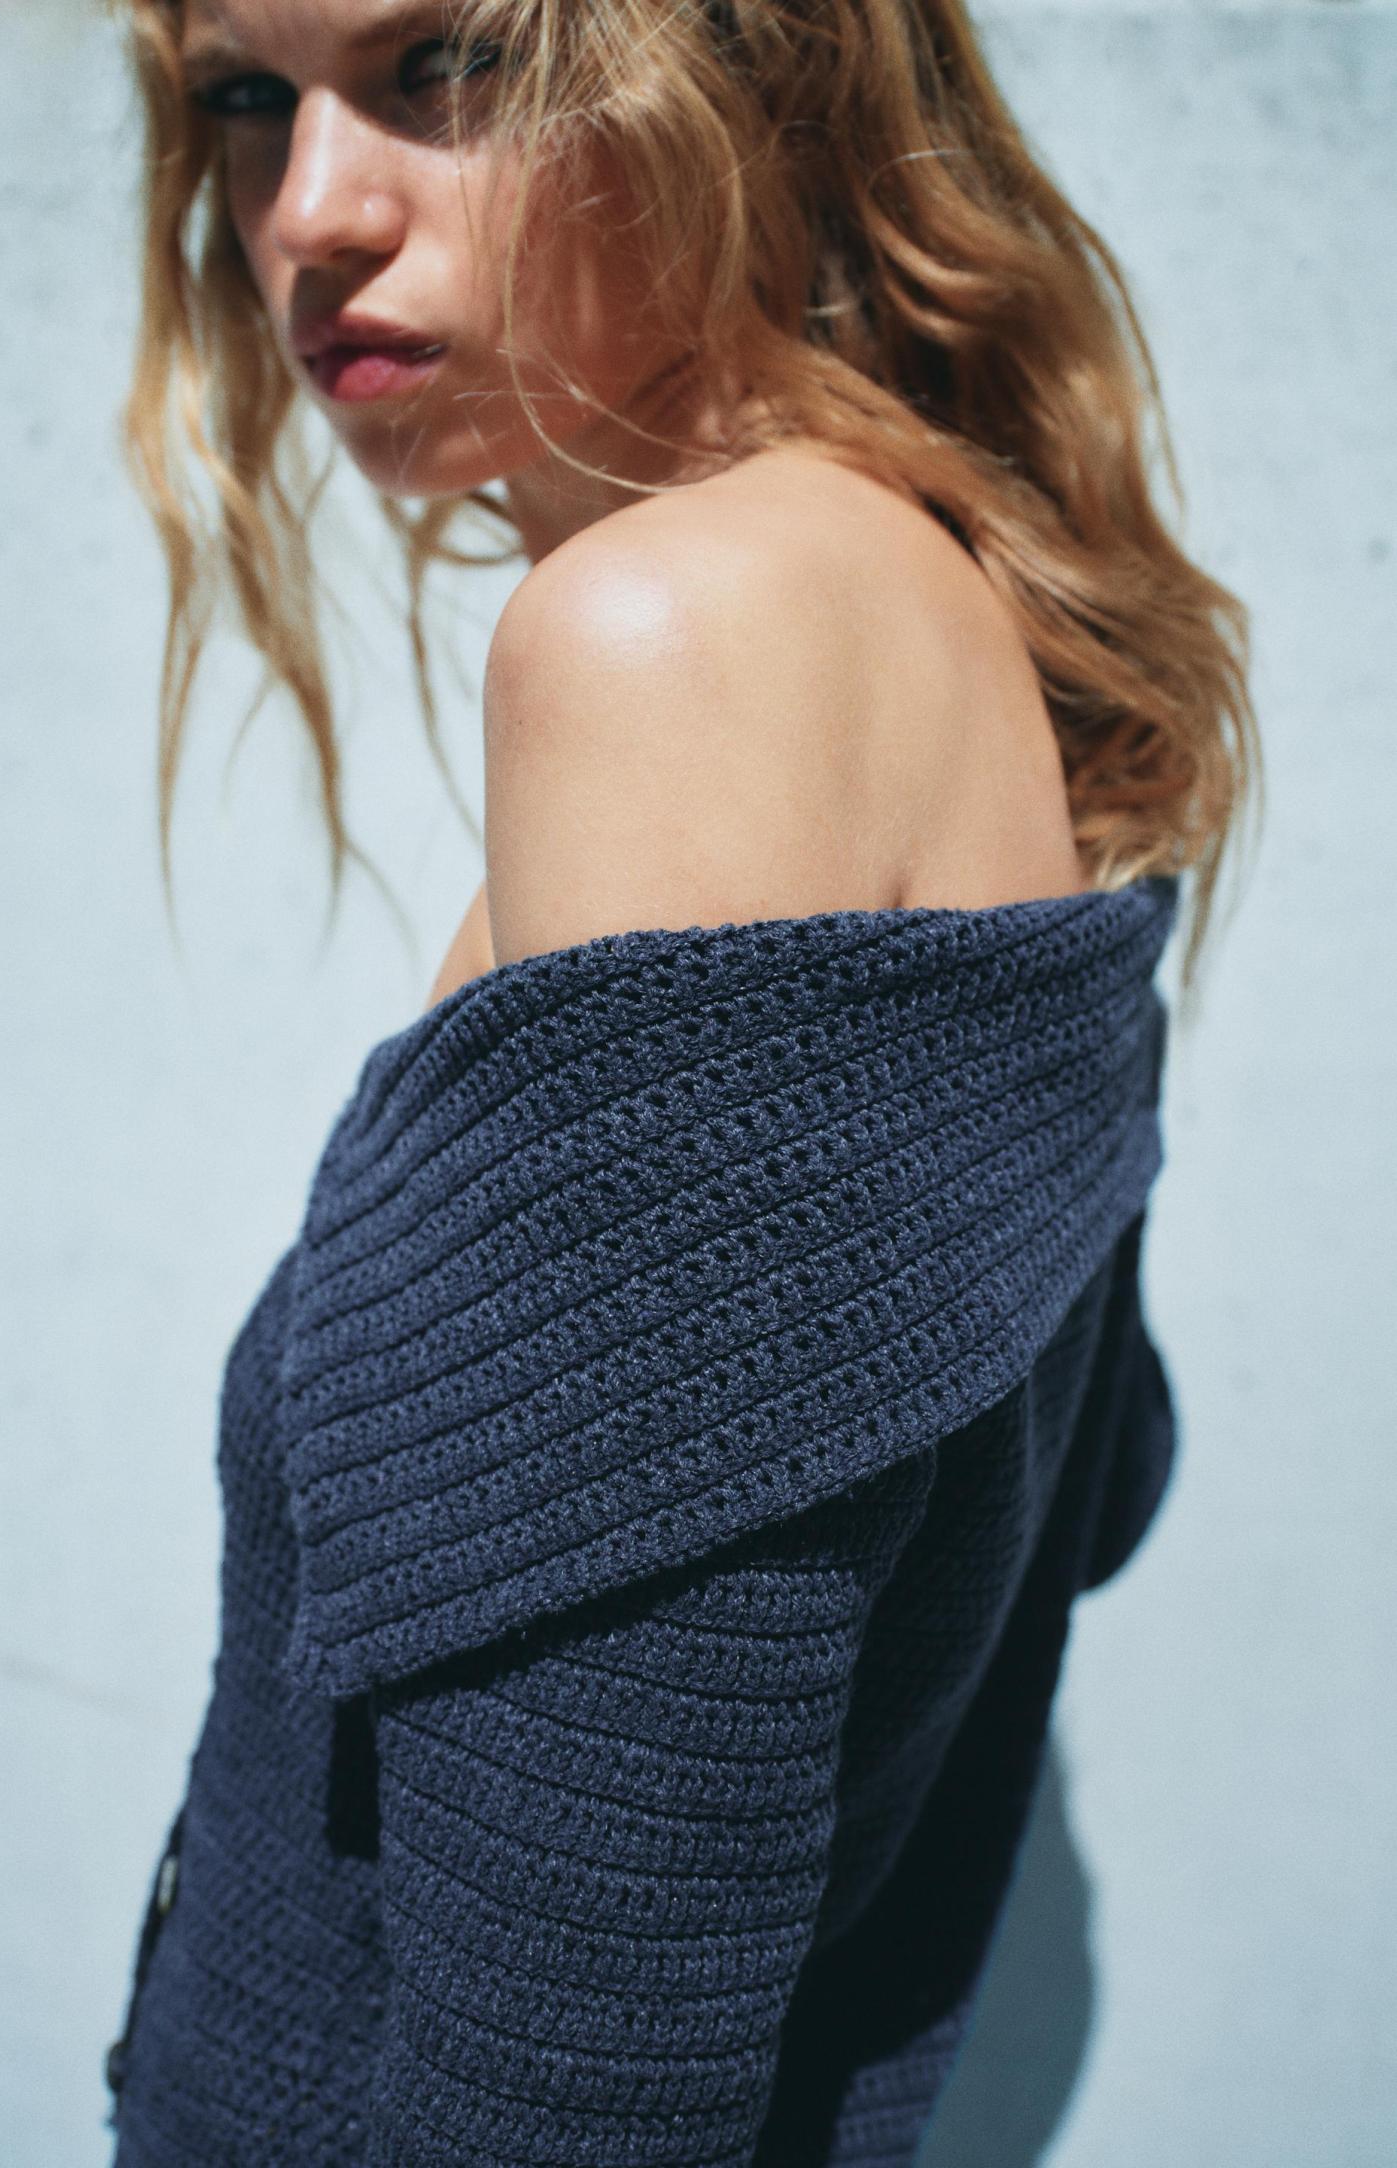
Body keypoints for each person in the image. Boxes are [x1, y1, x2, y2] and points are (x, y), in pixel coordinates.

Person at [103, 2, 1261, 2162]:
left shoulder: (674, 639)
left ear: (739, 63)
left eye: (448, 62)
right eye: (246, 97)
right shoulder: (937, 606)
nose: (310, 211)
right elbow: (1078, 1483)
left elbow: (594, 1994)